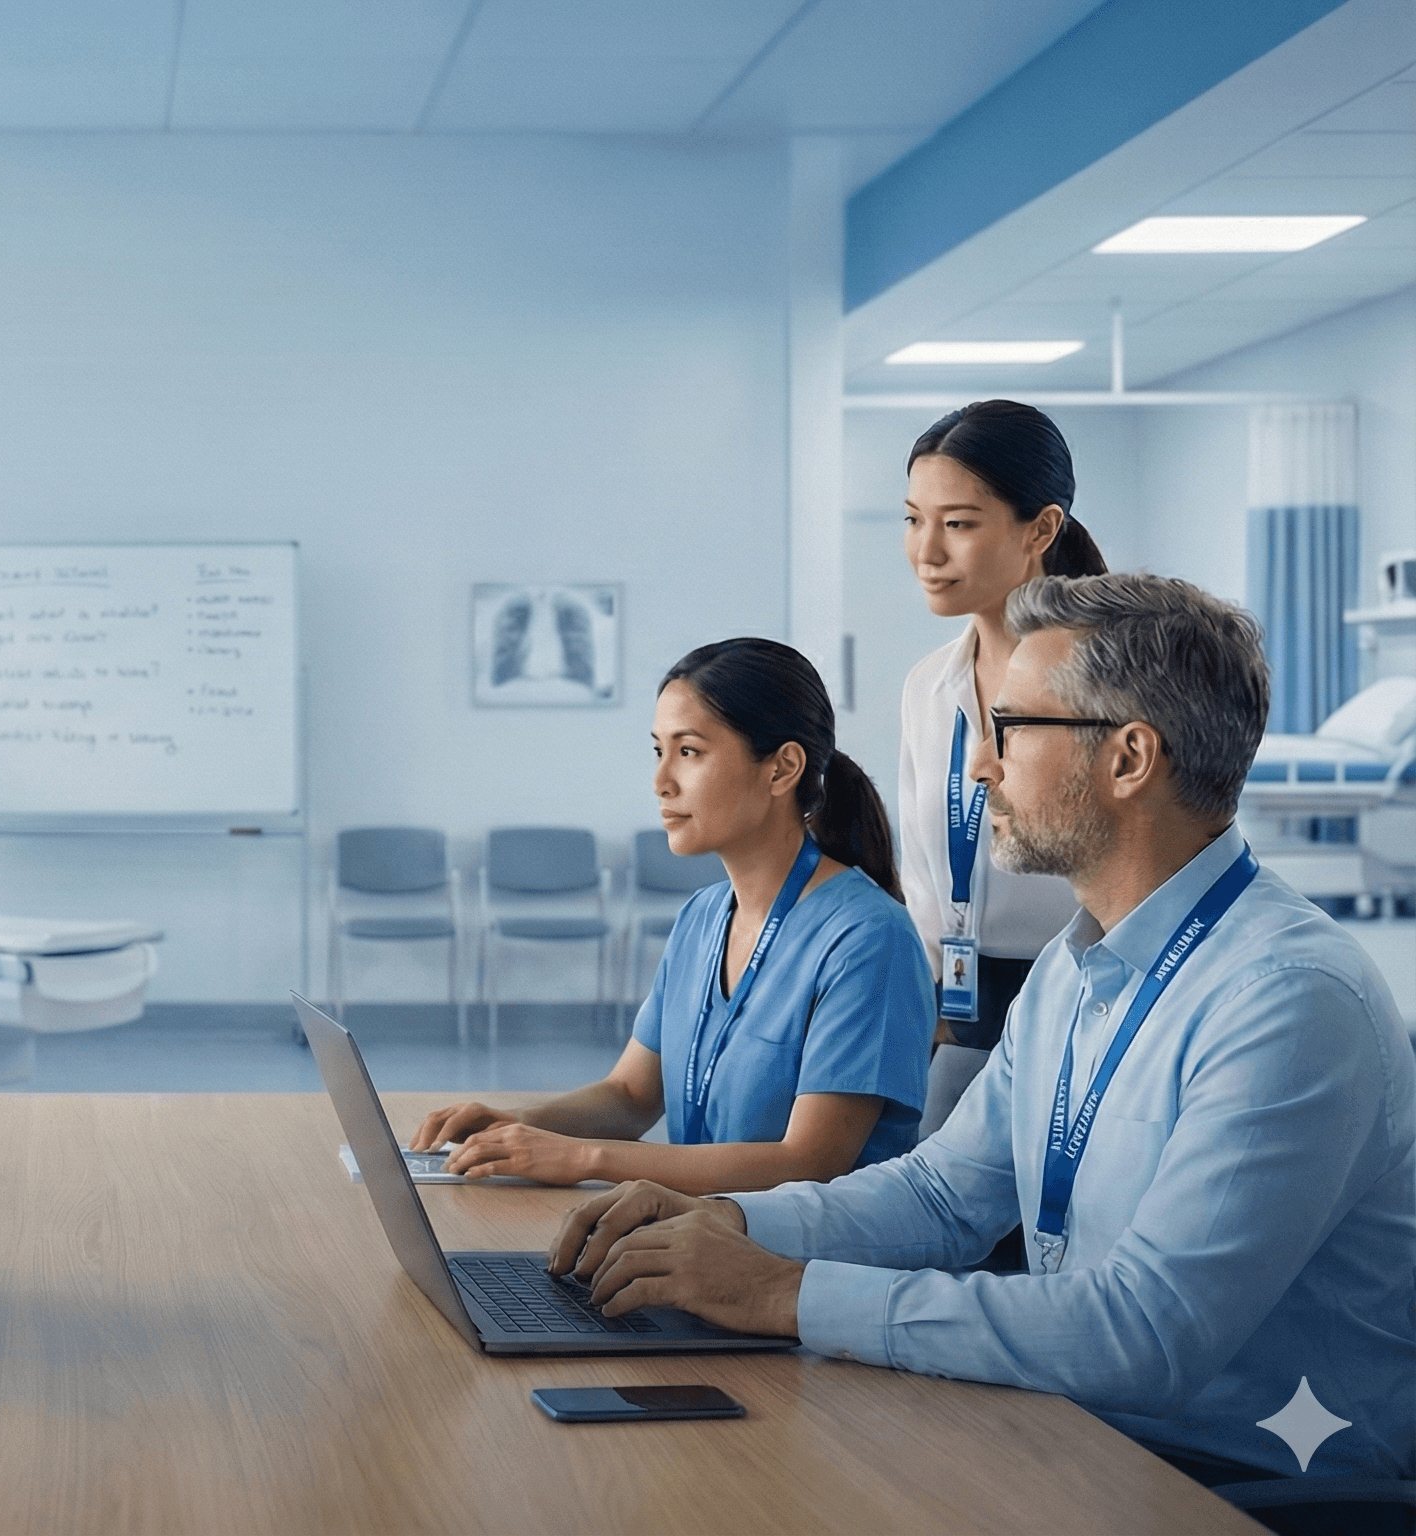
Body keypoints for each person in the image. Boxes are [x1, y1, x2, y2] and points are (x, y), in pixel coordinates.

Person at [554, 574, 1416, 1495]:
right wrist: (723, 1224)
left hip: (1238, 1484)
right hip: (1075, 1431)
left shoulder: (1287, 1001)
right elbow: (939, 1197)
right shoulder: (1074, 968)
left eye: (1011, 731)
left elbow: (1144, 1334)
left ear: (1128, 759)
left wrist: (776, 1292)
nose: (978, 768)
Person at [411, 639, 934, 1192]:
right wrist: (513, 1128)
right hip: (700, 1237)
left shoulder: (870, 939)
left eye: (689, 752)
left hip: (811, 1262)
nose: (661, 781)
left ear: (782, 768)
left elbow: (809, 1162)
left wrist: (586, 1160)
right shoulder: (702, 918)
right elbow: (632, 1096)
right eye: (658, 750)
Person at [899, 399, 1110, 1139]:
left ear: (1041, 528)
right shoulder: (930, 685)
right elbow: (924, 879)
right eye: (913, 519)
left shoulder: (1109, 679)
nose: (927, 550)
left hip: (1093, 1002)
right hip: (958, 1014)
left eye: (958, 524)